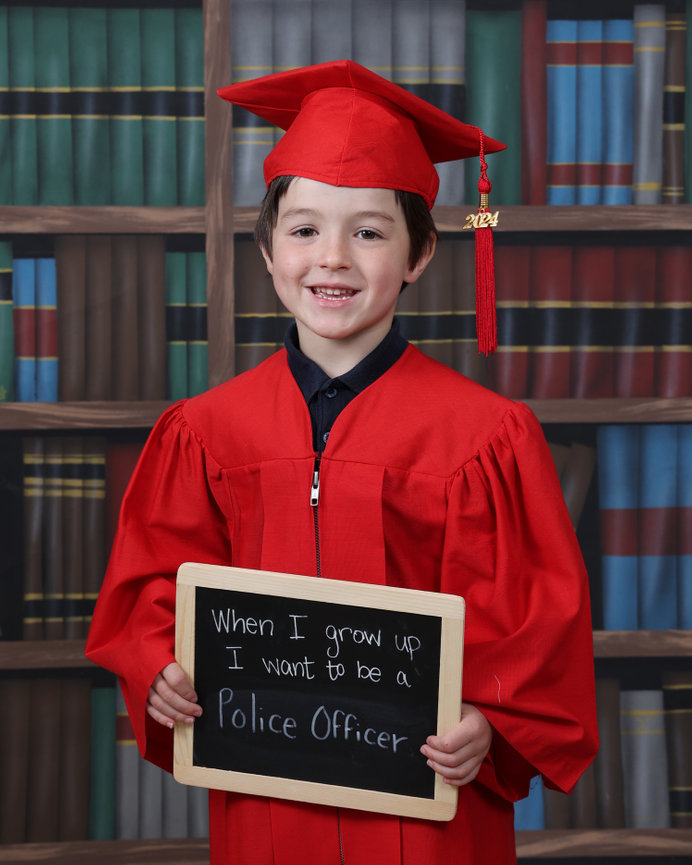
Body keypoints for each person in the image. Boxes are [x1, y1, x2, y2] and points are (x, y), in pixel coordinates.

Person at [86, 60, 598, 865]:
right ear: (266, 249)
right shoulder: (206, 432)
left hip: (429, 815)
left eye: (368, 232)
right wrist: (157, 667)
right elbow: (150, 584)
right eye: (304, 230)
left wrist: (492, 722)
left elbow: (537, 623)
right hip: (267, 801)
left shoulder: (486, 438)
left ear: (420, 253)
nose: (332, 258)